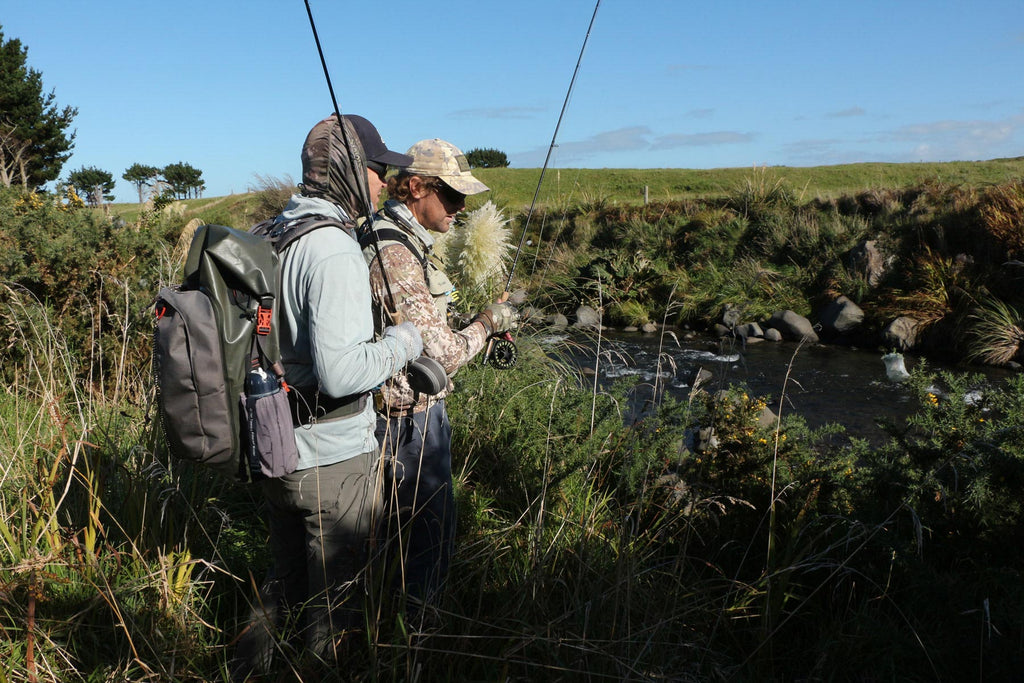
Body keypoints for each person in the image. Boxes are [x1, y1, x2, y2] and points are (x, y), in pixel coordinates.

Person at [231, 113, 420, 678]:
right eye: (377, 168)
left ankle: (246, 671)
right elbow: (340, 374)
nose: (386, 182)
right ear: (347, 169)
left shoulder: (271, 233)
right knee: (334, 613)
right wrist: (402, 341)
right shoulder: (333, 249)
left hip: (274, 449)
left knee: (283, 584)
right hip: (333, 460)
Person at [360, 139, 517, 606]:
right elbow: (443, 354)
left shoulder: (393, 238)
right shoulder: (397, 254)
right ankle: (415, 643)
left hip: (396, 420)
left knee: (393, 545)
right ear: (414, 187)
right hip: (408, 423)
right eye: (451, 195)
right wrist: (490, 323)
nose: (462, 207)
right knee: (423, 545)